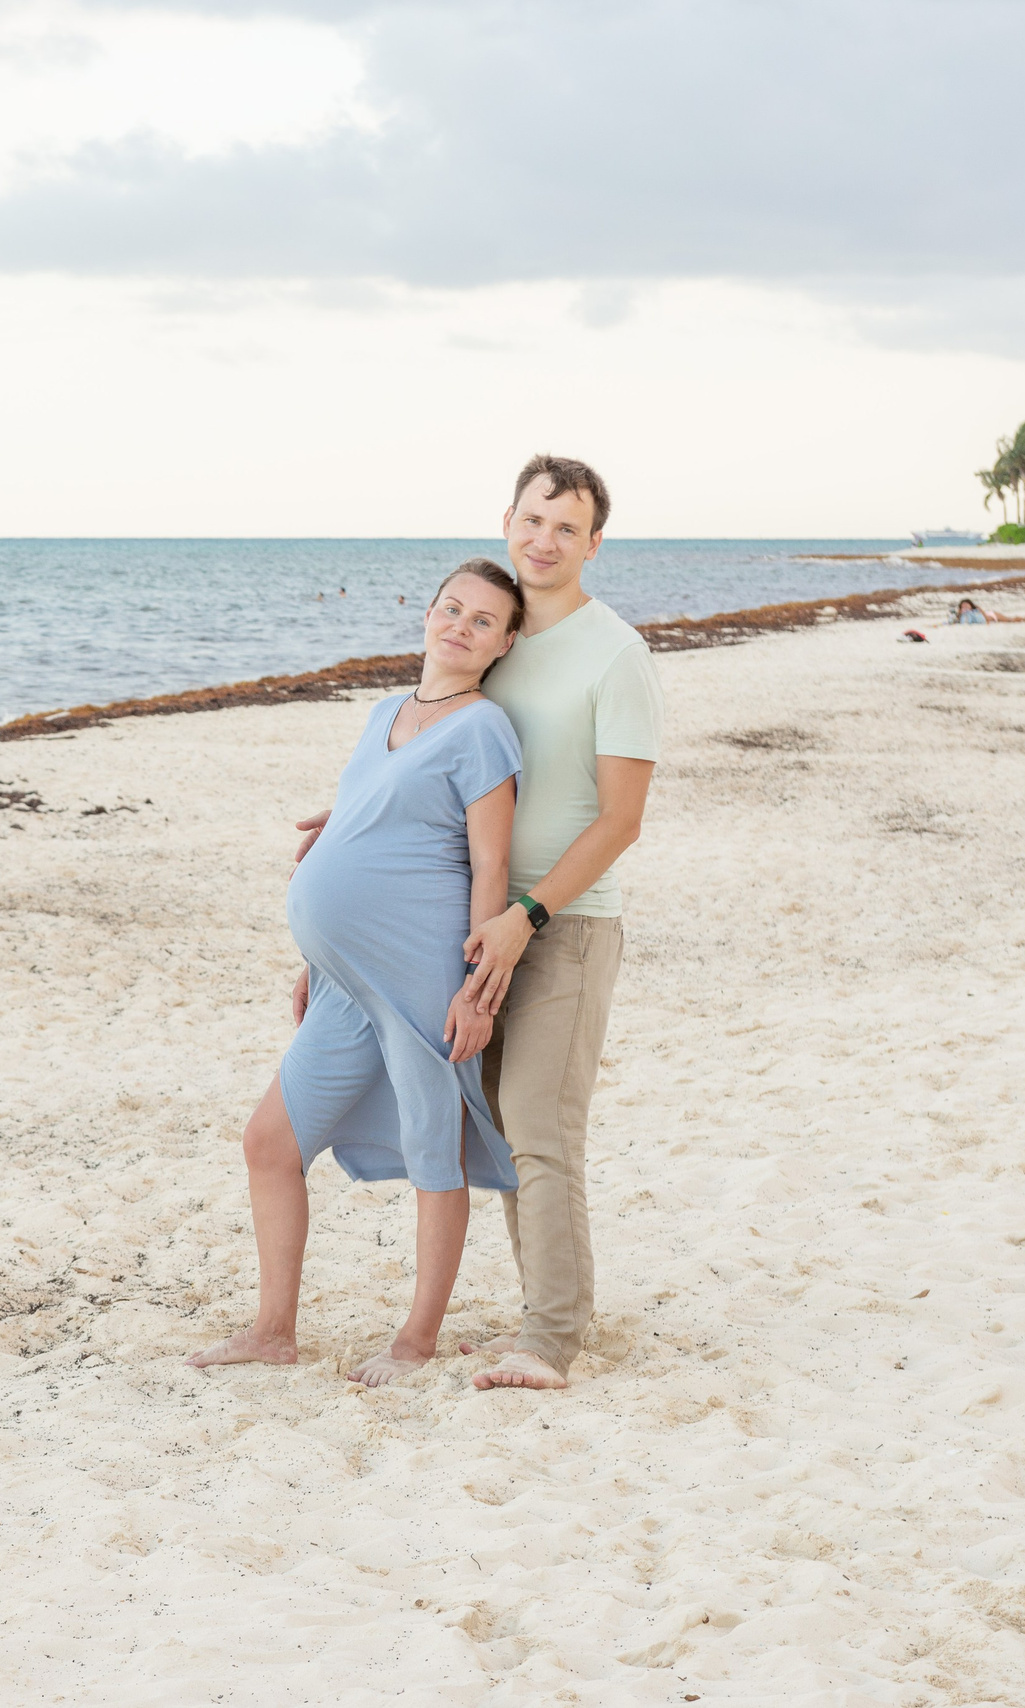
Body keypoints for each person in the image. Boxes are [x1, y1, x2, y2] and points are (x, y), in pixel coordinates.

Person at [296, 455, 660, 1393]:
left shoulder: (616, 654)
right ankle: (538, 1317)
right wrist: (358, 815)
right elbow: (443, 754)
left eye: (567, 528)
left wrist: (528, 914)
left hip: (563, 922)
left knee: (541, 1126)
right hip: (466, 920)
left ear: (594, 544)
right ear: (509, 523)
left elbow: (621, 818)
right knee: (495, 1122)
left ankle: (549, 1339)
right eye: (534, 520)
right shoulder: (500, 636)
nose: (546, 540)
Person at [188, 561, 525, 1385]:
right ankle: (272, 1331)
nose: (461, 627)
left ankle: (416, 1339)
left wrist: (479, 989)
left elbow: (490, 864)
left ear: (506, 642)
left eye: (484, 621)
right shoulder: (385, 712)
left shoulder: (484, 729)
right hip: (344, 979)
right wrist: (317, 959)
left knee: (432, 1150)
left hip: (419, 973)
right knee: (269, 1141)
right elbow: (367, 824)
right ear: (427, 614)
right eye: (452, 609)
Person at [954, 598, 1025, 625]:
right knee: (1009, 620)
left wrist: (987, 622)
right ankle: (1024, 618)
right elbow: (960, 620)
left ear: (971, 605)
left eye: (967, 605)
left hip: (992, 615)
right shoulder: (965, 614)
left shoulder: (977, 609)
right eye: (963, 606)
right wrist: (959, 613)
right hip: (988, 616)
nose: (965, 607)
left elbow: (985, 618)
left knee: (1010, 620)